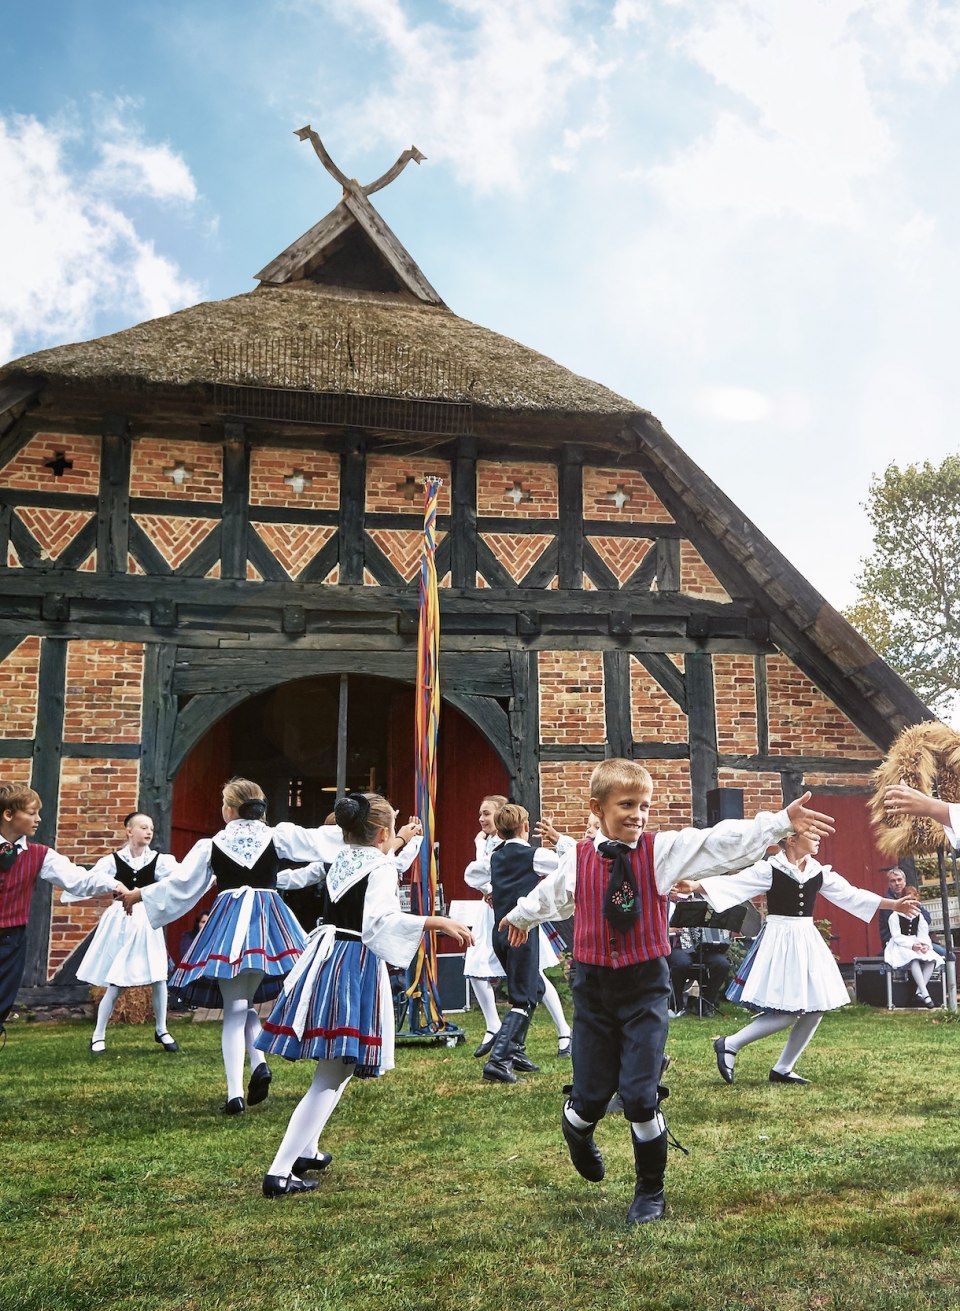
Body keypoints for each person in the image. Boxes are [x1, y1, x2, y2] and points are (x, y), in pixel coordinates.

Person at [499, 758, 837, 1225]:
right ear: (597, 808)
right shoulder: (576, 858)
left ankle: (650, 1191)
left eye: (645, 806)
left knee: (640, 1095)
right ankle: (576, 1129)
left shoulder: (661, 852)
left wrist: (778, 823)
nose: (638, 814)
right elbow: (551, 896)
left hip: (645, 988)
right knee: (590, 1097)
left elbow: (718, 842)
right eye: (627, 805)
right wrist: (520, 917)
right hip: (594, 991)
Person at [255, 791, 473, 1197]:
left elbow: (384, 865)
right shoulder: (378, 866)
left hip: (328, 956)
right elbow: (380, 919)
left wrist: (405, 839)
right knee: (333, 1072)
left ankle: (307, 1150)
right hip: (352, 966)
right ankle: (280, 1170)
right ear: (383, 833)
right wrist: (436, 921)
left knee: (338, 1069)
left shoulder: (343, 856)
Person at [121, 778, 344, 1114]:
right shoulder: (276, 835)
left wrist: (140, 894)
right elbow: (322, 840)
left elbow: (182, 885)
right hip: (269, 924)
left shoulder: (212, 844)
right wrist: (383, 836)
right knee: (245, 1003)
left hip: (229, 925)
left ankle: (234, 1094)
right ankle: (258, 1064)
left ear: (228, 809)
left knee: (235, 1007)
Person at [683, 830, 920, 1087]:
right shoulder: (770, 869)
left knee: (815, 1008)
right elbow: (737, 884)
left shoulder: (818, 871)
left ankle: (783, 1068)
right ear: (792, 839)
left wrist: (893, 905)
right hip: (779, 939)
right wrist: (696, 885)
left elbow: (851, 894)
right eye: (812, 834)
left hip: (806, 940)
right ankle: (730, 1044)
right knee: (788, 1012)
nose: (819, 838)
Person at [0, 781, 127, 1040]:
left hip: (11, 940)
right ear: (8, 814)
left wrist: (114, 883)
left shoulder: (40, 855)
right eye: (32, 812)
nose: (38, 819)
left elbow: (78, 880)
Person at [464, 800, 573, 1063]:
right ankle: (500, 1060)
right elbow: (571, 863)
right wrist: (559, 840)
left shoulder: (495, 857)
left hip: (498, 932)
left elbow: (470, 874)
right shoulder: (533, 856)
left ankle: (516, 1051)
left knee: (532, 987)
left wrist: (491, 891)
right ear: (525, 827)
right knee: (523, 998)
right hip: (521, 931)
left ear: (499, 833)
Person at [65, 811, 182, 1054]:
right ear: (129, 831)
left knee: (159, 975)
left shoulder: (160, 860)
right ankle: (98, 1034)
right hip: (121, 921)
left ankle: (161, 1029)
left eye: (150, 827)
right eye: (142, 827)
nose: (148, 831)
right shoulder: (112, 861)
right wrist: (112, 885)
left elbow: (180, 878)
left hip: (148, 920)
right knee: (116, 979)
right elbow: (91, 879)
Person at [884, 885, 939, 1007]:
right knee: (913, 959)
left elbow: (923, 933)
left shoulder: (919, 916)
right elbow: (896, 936)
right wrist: (911, 945)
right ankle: (926, 995)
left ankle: (919, 992)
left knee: (931, 959)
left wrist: (924, 945)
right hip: (900, 944)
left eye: (914, 902)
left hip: (917, 941)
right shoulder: (895, 915)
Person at [878, 867, 945, 959]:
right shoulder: (887, 903)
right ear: (889, 884)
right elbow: (898, 927)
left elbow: (927, 919)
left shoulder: (910, 895)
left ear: (904, 882)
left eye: (899, 880)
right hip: (895, 943)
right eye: (893, 881)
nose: (897, 883)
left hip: (918, 941)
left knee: (947, 954)